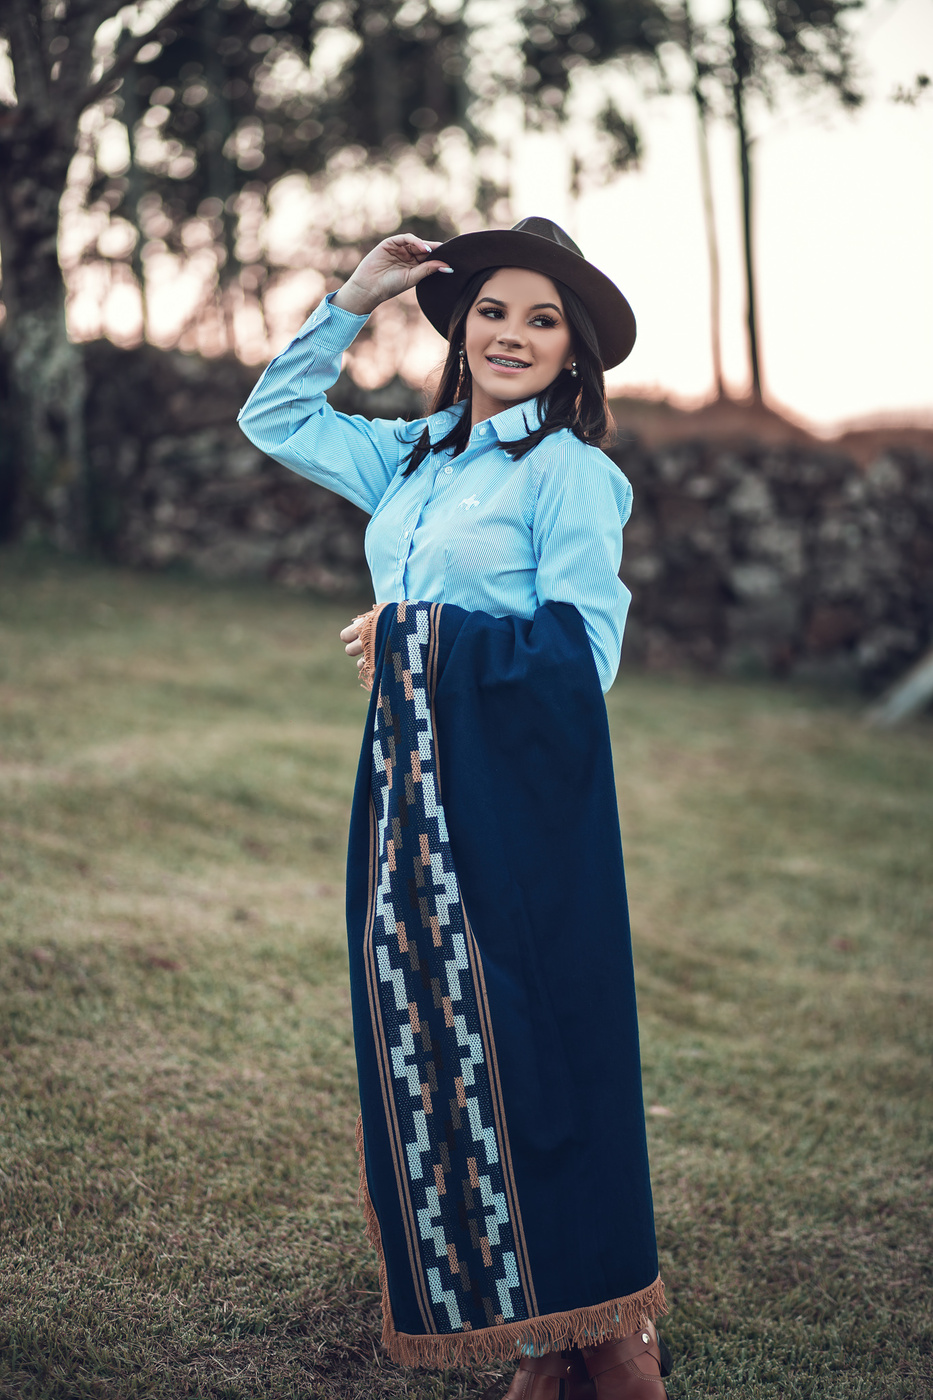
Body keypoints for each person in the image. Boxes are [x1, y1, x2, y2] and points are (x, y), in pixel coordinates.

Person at [237, 218, 671, 1400]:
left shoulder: (570, 473)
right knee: (445, 1040)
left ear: (575, 352)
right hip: (408, 783)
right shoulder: (413, 456)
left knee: (543, 1041)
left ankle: (614, 1334)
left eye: (543, 319)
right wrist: (356, 296)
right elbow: (274, 417)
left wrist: (421, 635)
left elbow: (584, 656)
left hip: (523, 792)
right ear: (461, 325)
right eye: (492, 310)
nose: (512, 335)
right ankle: (541, 1329)